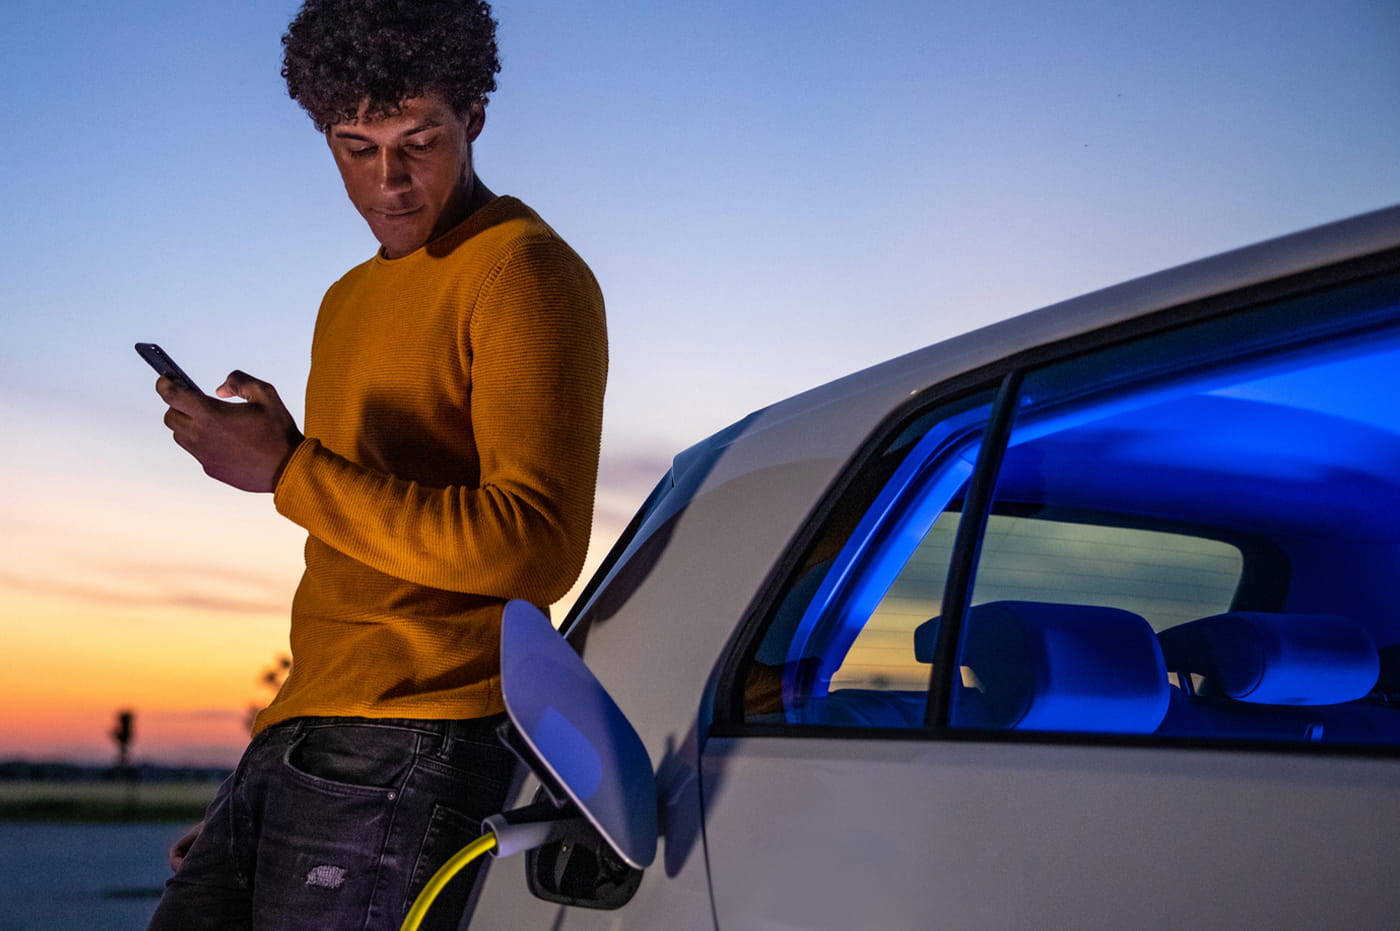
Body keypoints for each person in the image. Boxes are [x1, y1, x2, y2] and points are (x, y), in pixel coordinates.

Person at [146, 0, 607, 927]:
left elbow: (535, 546)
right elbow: (349, 570)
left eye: (419, 140)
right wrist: (266, 774)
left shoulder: (523, 270)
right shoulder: (345, 299)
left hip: (425, 736)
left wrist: (287, 472)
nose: (388, 180)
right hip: (311, 735)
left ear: (473, 117)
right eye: (357, 147)